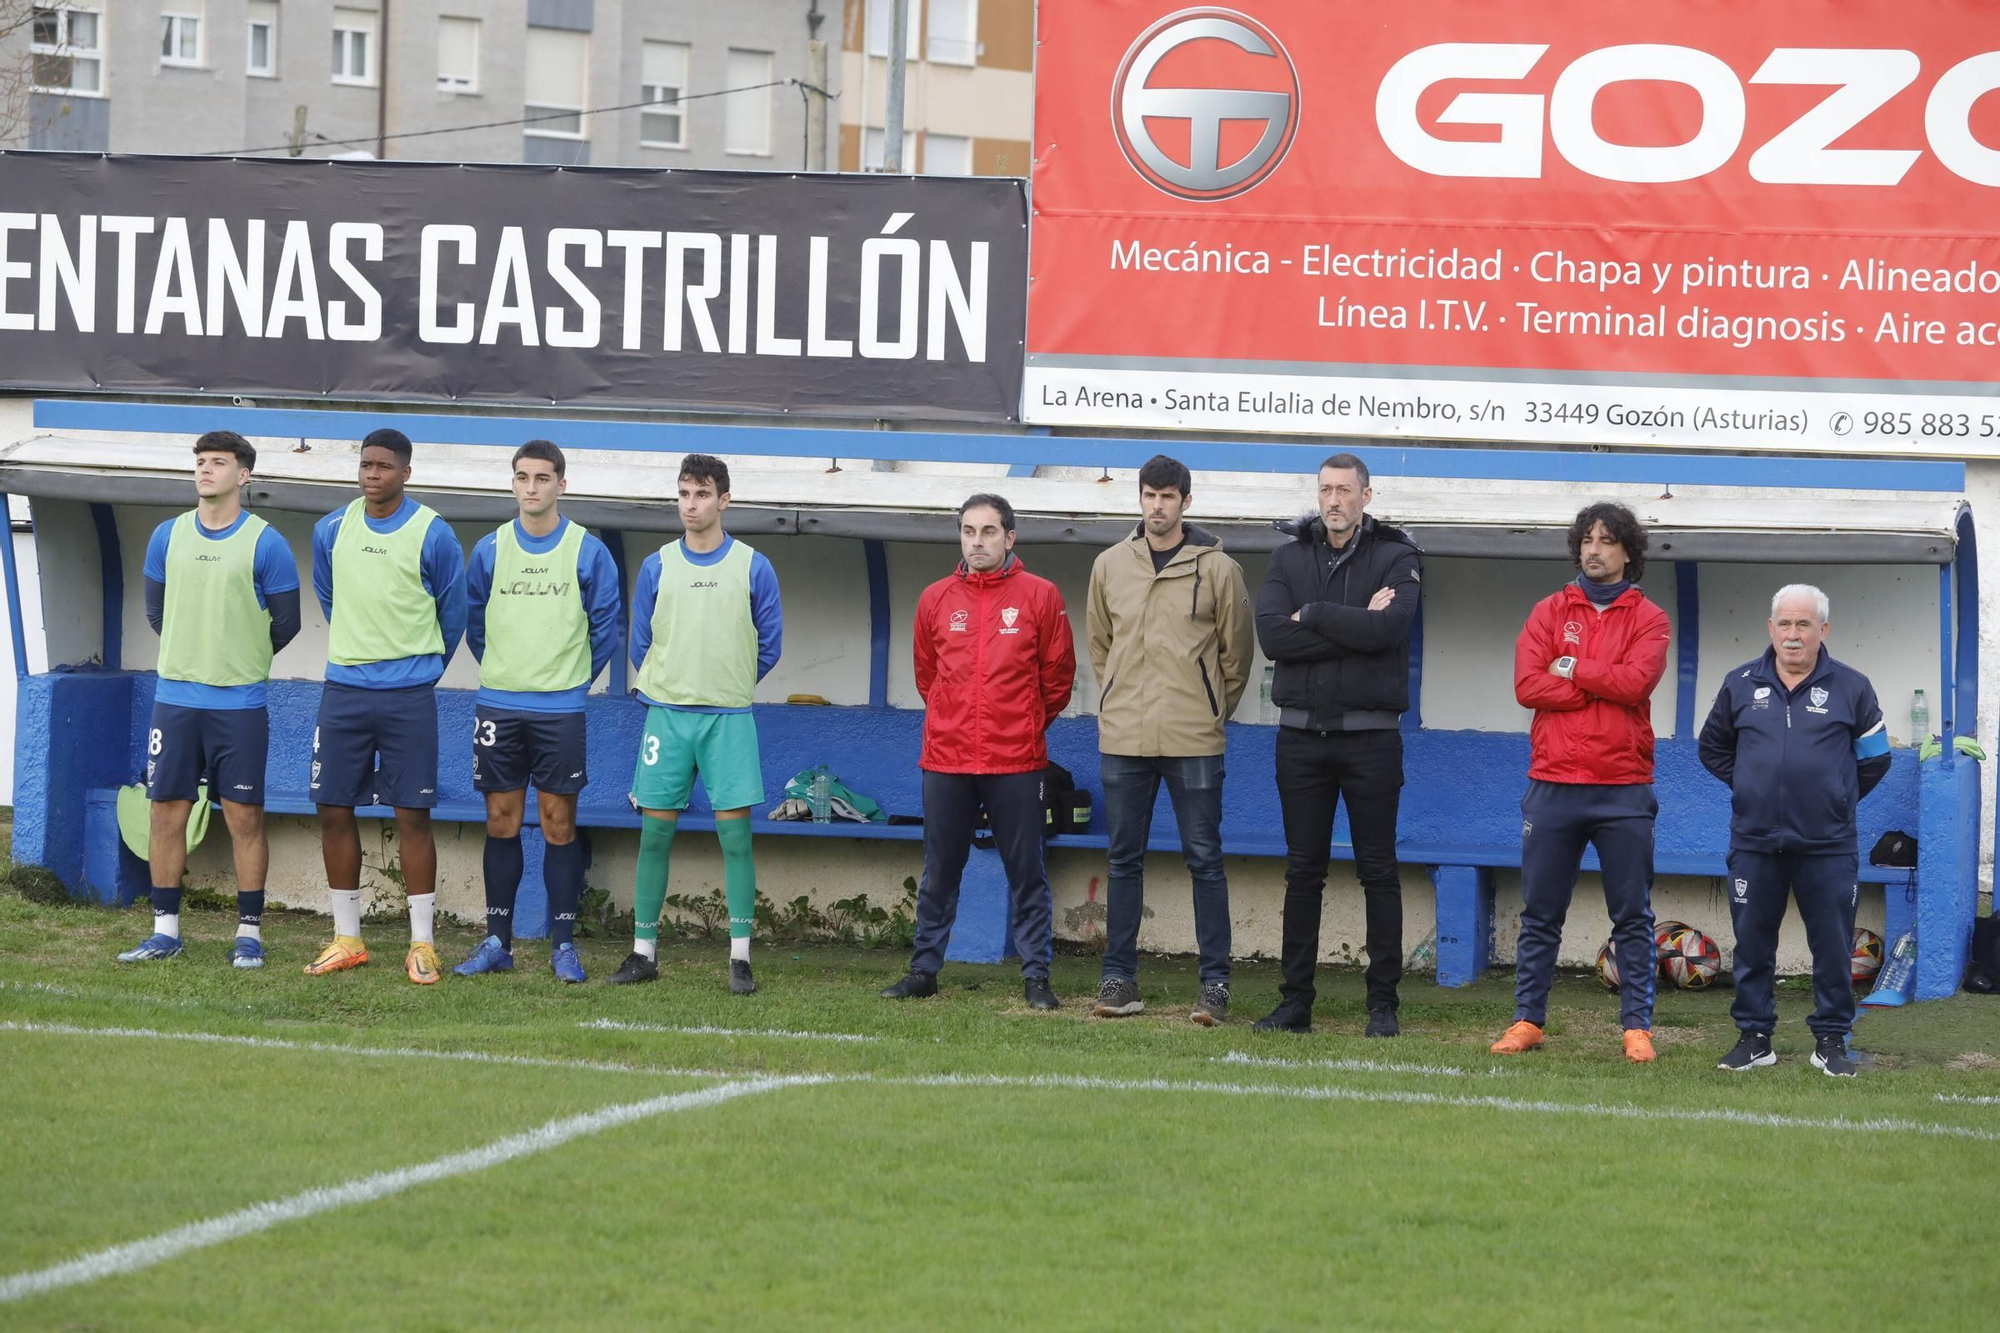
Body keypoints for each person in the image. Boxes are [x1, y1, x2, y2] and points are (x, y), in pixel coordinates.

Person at [1492, 502, 1671, 1062]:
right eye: (1587, 540)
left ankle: (1636, 1028)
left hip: (1622, 785)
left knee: (1632, 915)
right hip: (1552, 782)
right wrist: (1597, 683)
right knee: (1541, 912)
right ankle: (1527, 1021)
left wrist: (1569, 667)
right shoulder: (1548, 610)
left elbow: (1636, 683)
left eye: (1607, 540)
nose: (1594, 549)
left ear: (1628, 552)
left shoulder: (1650, 619)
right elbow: (1527, 684)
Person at [881, 494, 1076, 1010]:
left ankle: (1036, 978)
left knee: (1027, 872)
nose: (978, 541)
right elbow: (928, 677)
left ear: (1010, 538)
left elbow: (1057, 680)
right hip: (946, 759)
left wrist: (1023, 724)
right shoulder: (935, 599)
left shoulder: (1041, 596)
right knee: (940, 870)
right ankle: (924, 971)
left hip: (1016, 760)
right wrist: (956, 719)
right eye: (969, 531)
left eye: (989, 532)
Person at [1252, 453, 1421, 1036]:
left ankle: (1383, 1006)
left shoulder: (1397, 555)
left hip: (1371, 740)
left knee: (1378, 870)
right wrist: (1353, 630)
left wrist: (1318, 615)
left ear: (1366, 496)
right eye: (1326, 490)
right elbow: (1273, 635)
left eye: (1346, 490)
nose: (1334, 501)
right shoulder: (1288, 555)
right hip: (1300, 738)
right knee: (1303, 874)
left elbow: (1389, 630)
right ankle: (1295, 1002)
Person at [118, 431, 301, 968]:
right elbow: (157, 613)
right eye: (200, 462)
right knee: (166, 813)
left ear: (243, 475)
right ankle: (165, 931)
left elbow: (286, 624)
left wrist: (238, 658)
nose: (205, 470)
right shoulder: (166, 536)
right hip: (175, 699)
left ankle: (248, 934)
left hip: (239, 704)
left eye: (218, 463)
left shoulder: (266, 542)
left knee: (244, 816)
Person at [1086, 454, 1253, 1024]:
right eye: (1149, 496)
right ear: (1139, 499)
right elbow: (1100, 646)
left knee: (1205, 860)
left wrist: (1208, 711)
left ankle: (1215, 986)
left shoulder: (1219, 570)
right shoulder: (1109, 565)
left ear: (1186, 501)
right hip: (1124, 736)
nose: (1157, 506)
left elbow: (1236, 657)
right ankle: (1119, 980)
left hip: (1194, 738)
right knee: (1122, 860)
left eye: (1168, 497)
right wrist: (1116, 700)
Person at [1699, 585, 1890, 1078]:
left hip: (1827, 845)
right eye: (1784, 624)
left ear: (1822, 631)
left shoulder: (1853, 686)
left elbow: (1876, 758)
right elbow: (1712, 748)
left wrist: (1835, 798)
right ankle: (1755, 1037)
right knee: (1753, 943)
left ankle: (1831, 1041)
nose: (1793, 634)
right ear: (1770, 628)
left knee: (1831, 945)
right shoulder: (1739, 683)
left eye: (1804, 624)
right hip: (1755, 841)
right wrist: (1750, 785)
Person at [608, 454, 782, 995]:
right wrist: (675, 687)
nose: (691, 504)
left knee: (736, 839)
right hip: (668, 717)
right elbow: (642, 643)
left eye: (702, 494)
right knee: (655, 834)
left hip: (729, 719)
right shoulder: (659, 564)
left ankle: (739, 958)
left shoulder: (754, 565)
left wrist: (723, 684)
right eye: (684, 493)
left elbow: (769, 644)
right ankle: (643, 952)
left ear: (724, 500)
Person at [453, 441, 622, 984]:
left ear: (561, 485)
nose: (532, 487)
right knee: (500, 821)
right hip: (499, 704)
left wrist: (568, 681)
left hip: (560, 710)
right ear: (513, 484)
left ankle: (563, 945)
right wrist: (506, 670)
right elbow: (474, 622)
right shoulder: (490, 548)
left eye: (542, 478)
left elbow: (606, 630)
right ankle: (498, 941)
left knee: (558, 824)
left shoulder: (587, 550)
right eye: (522, 477)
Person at [304, 428, 467, 985]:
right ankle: (347, 938)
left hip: (408, 697)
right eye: (365, 465)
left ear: (406, 472)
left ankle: (422, 944)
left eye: (384, 466)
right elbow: (330, 596)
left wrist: (419, 671)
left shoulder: (433, 533)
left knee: (412, 815)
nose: (372, 474)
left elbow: (454, 614)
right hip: (344, 690)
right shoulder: (331, 529)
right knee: (332, 807)